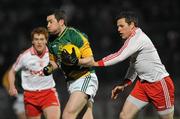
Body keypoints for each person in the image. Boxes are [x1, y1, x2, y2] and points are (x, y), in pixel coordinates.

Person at [78, 11, 174, 119]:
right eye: (118, 26)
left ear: (132, 25)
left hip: (159, 84)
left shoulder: (138, 38)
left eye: (121, 26)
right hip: (142, 85)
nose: (118, 29)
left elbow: (119, 56)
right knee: (124, 116)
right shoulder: (132, 40)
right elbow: (134, 66)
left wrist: (95, 63)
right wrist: (124, 84)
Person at [43, 9, 98, 119]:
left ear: (61, 22)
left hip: (85, 77)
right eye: (47, 22)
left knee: (68, 115)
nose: (48, 25)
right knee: (86, 116)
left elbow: (91, 60)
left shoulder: (75, 35)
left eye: (51, 22)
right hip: (71, 82)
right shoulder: (51, 41)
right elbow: (55, 62)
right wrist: (48, 68)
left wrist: (76, 61)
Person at [8, 27, 61, 119]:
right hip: (30, 96)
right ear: (32, 41)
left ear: (46, 41)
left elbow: (60, 63)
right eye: (36, 39)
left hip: (48, 93)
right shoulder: (24, 56)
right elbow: (12, 71)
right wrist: (12, 87)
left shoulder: (52, 54)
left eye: (41, 39)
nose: (39, 42)